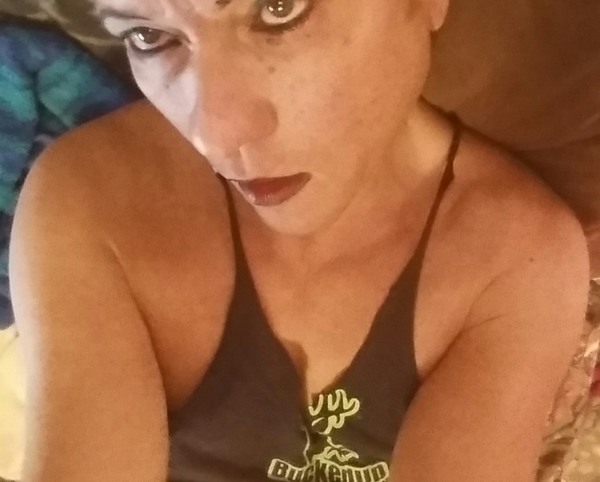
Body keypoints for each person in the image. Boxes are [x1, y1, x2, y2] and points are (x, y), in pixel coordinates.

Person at [8, 0, 590, 481]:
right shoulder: (96, 202)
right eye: (149, 36)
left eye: (278, 12)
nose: (214, 134)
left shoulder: (516, 257)